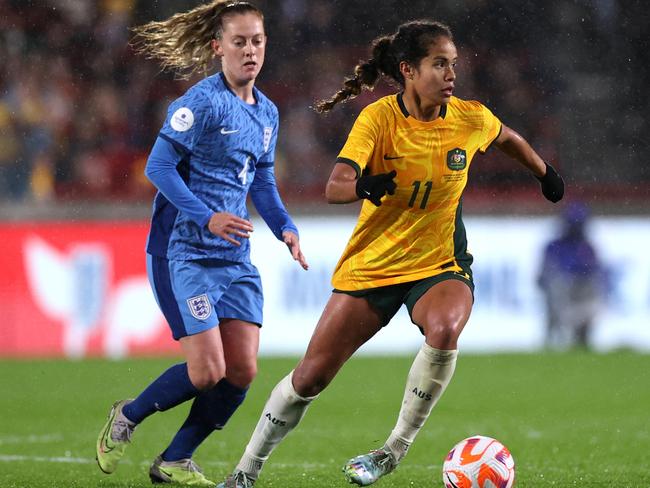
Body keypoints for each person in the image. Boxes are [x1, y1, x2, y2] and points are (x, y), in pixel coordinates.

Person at [217, 19, 564, 488]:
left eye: (453, 64)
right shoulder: (378, 119)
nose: (451, 74)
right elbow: (333, 187)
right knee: (310, 378)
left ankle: (393, 449)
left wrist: (545, 174)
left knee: (444, 328)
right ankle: (245, 472)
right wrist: (364, 184)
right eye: (439, 64)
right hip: (374, 265)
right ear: (408, 69)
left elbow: (506, 138)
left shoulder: (468, 116)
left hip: (438, 263)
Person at [95, 2, 308, 486]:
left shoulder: (268, 112)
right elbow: (158, 168)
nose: (249, 50)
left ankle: (175, 459)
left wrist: (285, 227)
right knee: (207, 370)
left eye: (257, 40)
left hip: (235, 258)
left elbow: (263, 179)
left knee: (242, 371)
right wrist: (207, 217)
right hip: (183, 253)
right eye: (239, 41)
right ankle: (126, 416)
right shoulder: (200, 103)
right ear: (218, 48)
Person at [538, 202, 603, 349]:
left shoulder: (587, 248)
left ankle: (581, 340)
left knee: (589, 301)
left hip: (581, 296)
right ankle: (554, 340)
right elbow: (543, 276)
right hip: (560, 296)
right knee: (556, 287)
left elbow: (594, 275)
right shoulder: (554, 247)